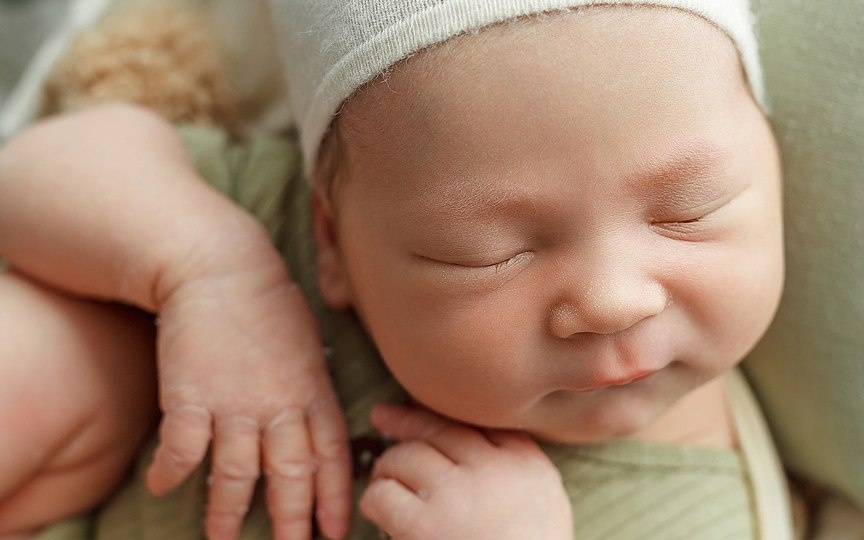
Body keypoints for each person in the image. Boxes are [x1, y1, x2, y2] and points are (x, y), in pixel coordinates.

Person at [0, 1, 791, 539]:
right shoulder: (270, 237)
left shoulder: (694, 515)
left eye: (688, 210)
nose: (613, 300)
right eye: (489, 252)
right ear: (335, 241)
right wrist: (207, 271)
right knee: (53, 353)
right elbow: (28, 175)